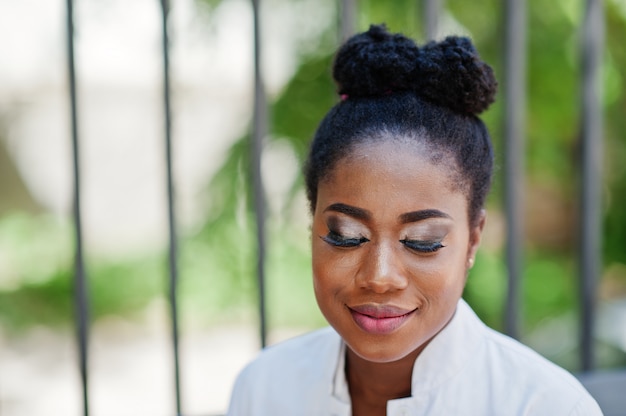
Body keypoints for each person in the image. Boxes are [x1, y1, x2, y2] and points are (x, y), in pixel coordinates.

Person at [226, 24, 602, 416]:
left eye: (422, 240)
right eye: (347, 235)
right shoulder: (265, 388)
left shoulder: (544, 405)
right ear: (313, 227)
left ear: (473, 241)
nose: (380, 276)